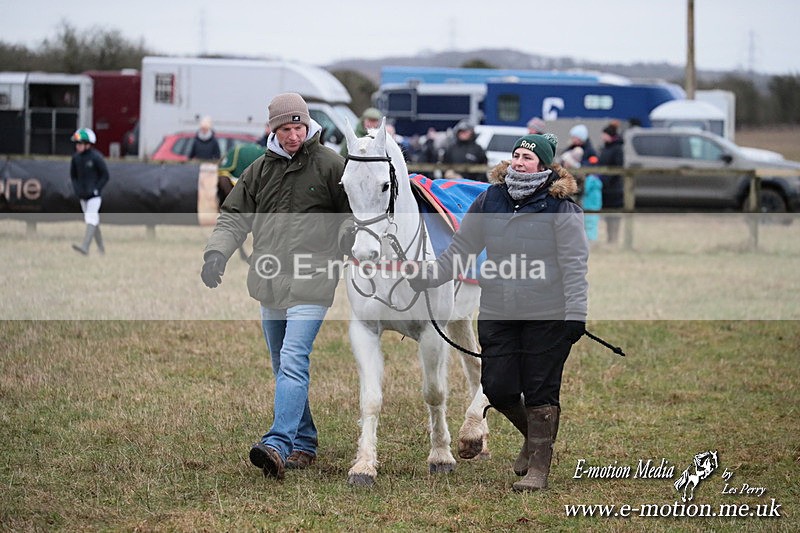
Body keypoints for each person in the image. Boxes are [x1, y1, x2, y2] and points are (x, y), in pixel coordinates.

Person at [406, 133, 589, 492]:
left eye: (528, 158)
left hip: (547, 312)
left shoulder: (562, 209)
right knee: (498, 386)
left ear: (545, 166)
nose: (520, 162)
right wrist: (429, 277)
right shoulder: (490, 198)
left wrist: (576, 314)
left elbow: (575, 265)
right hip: (498, 309)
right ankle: (536, 440)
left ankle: (538, 468)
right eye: (517, 155)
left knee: (540, 389)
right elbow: (461, 248)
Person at [200, 92, 351, 480]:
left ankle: (278, 443)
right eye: (284, 129)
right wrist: (217, 253)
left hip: (313, 281)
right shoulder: (259, 170)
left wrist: (349, 244)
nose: (292, 135)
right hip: (269, 281)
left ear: (308, 124)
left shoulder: (332, 165)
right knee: (280, 364)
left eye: (298, 126)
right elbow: (234, 216)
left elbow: (352, 217)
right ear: (273, 130)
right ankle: (304, 441)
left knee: (293, 359)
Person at [69, 128, 109, 255]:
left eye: (80, 144)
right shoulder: (75, 158)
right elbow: (73, 176)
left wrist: (97, 189)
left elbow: (105, 175)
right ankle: (101, 248)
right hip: (82, 195)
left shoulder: (96, 157)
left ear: (88, 144)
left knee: (91, 217)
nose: (78, 146)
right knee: (93, 220)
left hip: (94, 196)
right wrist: (77, 189)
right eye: (77, 144)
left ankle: (85, 247)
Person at [597, 122, 625, 243]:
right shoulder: (605, 148)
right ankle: (610, 238)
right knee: (607, 214)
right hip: (605, 187)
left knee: (614, 215)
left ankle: (614, 239)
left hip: (614, 187)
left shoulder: (617, 149)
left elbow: (618, 168)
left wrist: (607, 179)